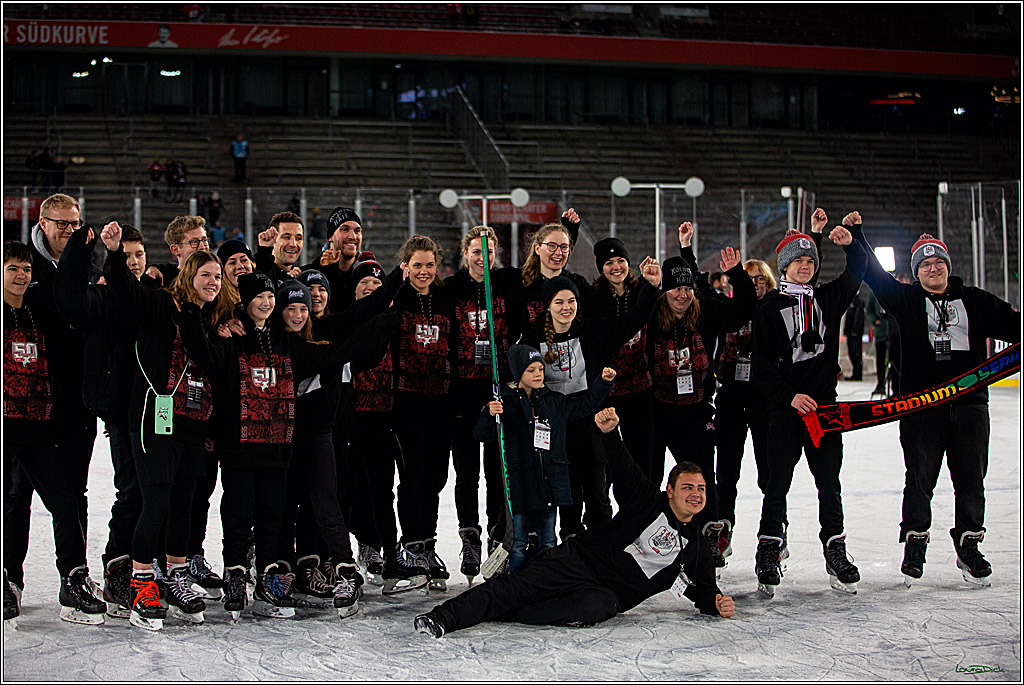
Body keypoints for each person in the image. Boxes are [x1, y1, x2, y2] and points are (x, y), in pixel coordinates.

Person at [414, 407, 735, 638]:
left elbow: (703, 590)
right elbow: (624, 467)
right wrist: (611, 433)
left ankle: (503, 610)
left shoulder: (695, 547)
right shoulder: (647, 500)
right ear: (671, 490)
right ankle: (443, 618)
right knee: (517, 589)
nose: (695, 495)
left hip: (606, 594)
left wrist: (716, 603)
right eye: (688, 487)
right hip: (579, 560)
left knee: (590, 610)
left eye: (701, 489)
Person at [848, 214, 1019, 587]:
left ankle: (969, 544)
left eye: (939, 262)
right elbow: (875, 276)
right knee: (920, 480)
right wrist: (857, 237)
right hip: (921, 410)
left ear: (948, 267)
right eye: (925, 264)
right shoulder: (906, 300)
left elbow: (1013, 324)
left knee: (971, 480)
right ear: (917, 272)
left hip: (971, 405)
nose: (933, 268)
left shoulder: (974, 299)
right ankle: (915, 542)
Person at [99, 221, 234, 631]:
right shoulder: (163, 306)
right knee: (154, 502)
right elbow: (125, 290)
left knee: (184, 506)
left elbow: (215, 368)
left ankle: (176, 574)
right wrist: (114, 252)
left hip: (194, 424)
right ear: (188, 275)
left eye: (216, 275)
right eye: (204, 274)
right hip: (155, 420)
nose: (211, 281)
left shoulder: (215, 321)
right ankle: (143, 583)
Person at [751, 221, 867, 598]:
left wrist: (852, 243)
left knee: (829, 483)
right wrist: (789, 397)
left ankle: (835, 548)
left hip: (824, 409)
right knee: (776, 483)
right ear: (783, 266)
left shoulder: (827, 300)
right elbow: (763, 368)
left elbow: (858, 271)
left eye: (810, 260)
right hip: (786, 411)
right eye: (797, 260)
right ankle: (769, 548)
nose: (805, 266)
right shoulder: (769, 308)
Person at [519, 259, 661, 540]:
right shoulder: (533, 338)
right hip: (556, 426)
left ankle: (600, 545)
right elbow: (518, 373)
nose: (566, 307)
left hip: (591, 423)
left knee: (597, 489)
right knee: (566, 492)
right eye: (559, 302)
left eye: (571, 301)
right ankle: (571, 541)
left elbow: (632, 321)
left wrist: (650, 287)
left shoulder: (592, 332)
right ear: (548, 305)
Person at [4, 240, 107, 627]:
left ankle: (73, 577)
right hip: (3, 428)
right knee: (9, 504)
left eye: (26, 270)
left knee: (65, 501)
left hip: (37, 425)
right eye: (13, 268)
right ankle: (5, 578)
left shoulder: (39, 312)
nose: (20, 276)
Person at [53, 224, 150, 619]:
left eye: (139, 255)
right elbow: (68, 301)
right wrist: (81, 246)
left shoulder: (151, 296)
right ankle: (117, 566)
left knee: (150, 490)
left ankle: (146, 563)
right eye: (125, 256)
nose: (134, 262)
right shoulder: (98, 296)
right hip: (119, 409)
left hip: (155, 410)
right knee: (132, 488)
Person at [647, 222, 755, 574]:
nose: (682, 294)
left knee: (701, 479)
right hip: (657, 413)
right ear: (664, 291)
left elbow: (743, 310)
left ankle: (706, 537)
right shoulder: (651, 316)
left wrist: (737, 274)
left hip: (695, 413)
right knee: (649, 479)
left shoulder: (704, 310)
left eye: (687, 287)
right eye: (675, 288)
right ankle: (650, 537)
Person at [476, 346, 615, 573]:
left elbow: (584, 405)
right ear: (518, 373)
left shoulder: (554, 402)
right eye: (531, 370)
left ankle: (544, 584)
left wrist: (603, 383)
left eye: (540, 369)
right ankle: (515, 587)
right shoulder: (505, 403)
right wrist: (488, 415)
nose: (538, 374)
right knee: (518, 543)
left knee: (548, 542)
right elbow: (481, 435)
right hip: (520, 485)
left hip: (549, 484)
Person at [445, 225, 521, 577]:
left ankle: (496, 538)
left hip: (496, 391)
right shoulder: (452, 288)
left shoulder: (505, 283)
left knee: (496, 471)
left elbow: (545, 269)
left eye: (487, 252)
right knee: (466, 475)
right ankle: (469, 537)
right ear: (466, 254)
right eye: (476, 252)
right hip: (462, 394)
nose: (482, 258)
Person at [390, 235, 456, 590]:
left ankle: (427, 544)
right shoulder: (397, 298)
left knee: (434, 478)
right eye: (417, 265)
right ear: (406, 266)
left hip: (440, 402)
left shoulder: (445, 299)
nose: (424, 271)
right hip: (406, 402)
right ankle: (412, 544)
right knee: (412, 476)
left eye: (429, 264)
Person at [713, 257, 776, 566]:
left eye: (759, 279)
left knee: (770, 470)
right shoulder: (727, 311)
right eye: (747, 280)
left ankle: (775, 531)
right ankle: (722, 528)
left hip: (765, 398)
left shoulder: (775, 310)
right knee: (725, 471)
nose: (753, 285)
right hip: (731, 395)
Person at [582, 236, 656, 485]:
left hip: (639, 390)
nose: (616, 267)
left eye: (621, 260)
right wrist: (650, 291)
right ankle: (605, 518)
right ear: (601, 268)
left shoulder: (640, 292)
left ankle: (643, 515)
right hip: (607, 392)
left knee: (641, 458)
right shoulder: (592, 300)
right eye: (609, 262)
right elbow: (618, 332)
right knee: (606, 463)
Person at [518, 209, 587, 327]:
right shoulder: (520, 283)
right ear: (537, 248)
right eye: (552, 246)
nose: (559, 253)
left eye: (564, 247)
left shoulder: (577, 283)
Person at [315, 206, 364, 310]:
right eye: (345, 229)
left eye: (357, 231)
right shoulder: (312, 273)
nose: (352, 236)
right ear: (330, 236)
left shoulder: (370, 275)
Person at [145, 215, 210, 286]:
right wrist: (151, 269)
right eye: (194, 242)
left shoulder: (219, 277)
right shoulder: (165, 280)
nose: (202, 246)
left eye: (204, 240)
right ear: (175, 250)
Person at [256, 211, 305, 286]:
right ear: (273, 238)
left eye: (298, 238)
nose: (293, 244)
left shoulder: (302, 280)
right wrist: (264, 251)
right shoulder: (257, 274)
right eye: (286, 237)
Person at [866, 290, 888, 396]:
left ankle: (896, 386)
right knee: (880, 360)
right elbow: (869, 309)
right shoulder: (874, 293)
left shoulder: (894, 290)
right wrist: (875, 321)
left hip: (894, 333)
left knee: (896, 360)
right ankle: (881, 384)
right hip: (881, 333)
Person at [844, 291, 865, 380]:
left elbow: (858, 316)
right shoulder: (851, 301)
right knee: (852, 353)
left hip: (855, 333)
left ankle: (857, 374)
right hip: (851, 332)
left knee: (856, 353)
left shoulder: (858, 302)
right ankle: (855, 373)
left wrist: (855, 329)